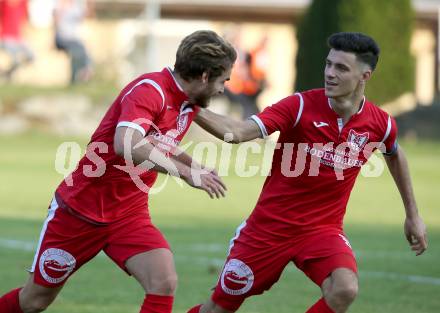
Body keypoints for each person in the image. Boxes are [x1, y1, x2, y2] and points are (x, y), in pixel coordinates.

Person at [187, 32, 428, 313]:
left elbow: (395, 153)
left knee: (345, 288)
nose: (330, 73)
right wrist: (187, 104)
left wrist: (413, 214)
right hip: (268, 230)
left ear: (365, 75)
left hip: (322, 231)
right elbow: (239, 132)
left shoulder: (380, 123)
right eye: (328, 64)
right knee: (218, 309)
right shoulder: (299, 106)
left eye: (341, 68)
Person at [0, 30, 236, 313]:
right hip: (79, 212)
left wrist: (195, 166)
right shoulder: (151, 90)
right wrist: (185, 174)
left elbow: (159, 140)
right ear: (206, 76)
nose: (224, 88)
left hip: (128, 214)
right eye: (224, 80)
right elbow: (127, 143)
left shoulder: (187, 102)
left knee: (163, 282)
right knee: (34, 300)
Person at [224, 34, 268, 120]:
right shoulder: (233, 54)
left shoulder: (245, 53)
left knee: (250, 106)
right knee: (246, 106)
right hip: (235, 87)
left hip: (244, 87)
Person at [53, 0, 93, 84]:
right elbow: (56, 19)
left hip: (73, 38)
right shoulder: (60, 4)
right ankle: (84, 72)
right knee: (80, 48)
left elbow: (86, 15)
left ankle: (82, 73)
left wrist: (89, 4)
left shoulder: (76, 5)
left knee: (80, 51)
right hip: (62, 37)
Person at [0, 0, 34, 81]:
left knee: (32, 57)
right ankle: (7, 74)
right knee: (16, 59)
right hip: (6, 37)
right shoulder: (3, 3)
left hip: (19, 38)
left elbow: (25, 19)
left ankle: (8, 72)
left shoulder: (23, 3)